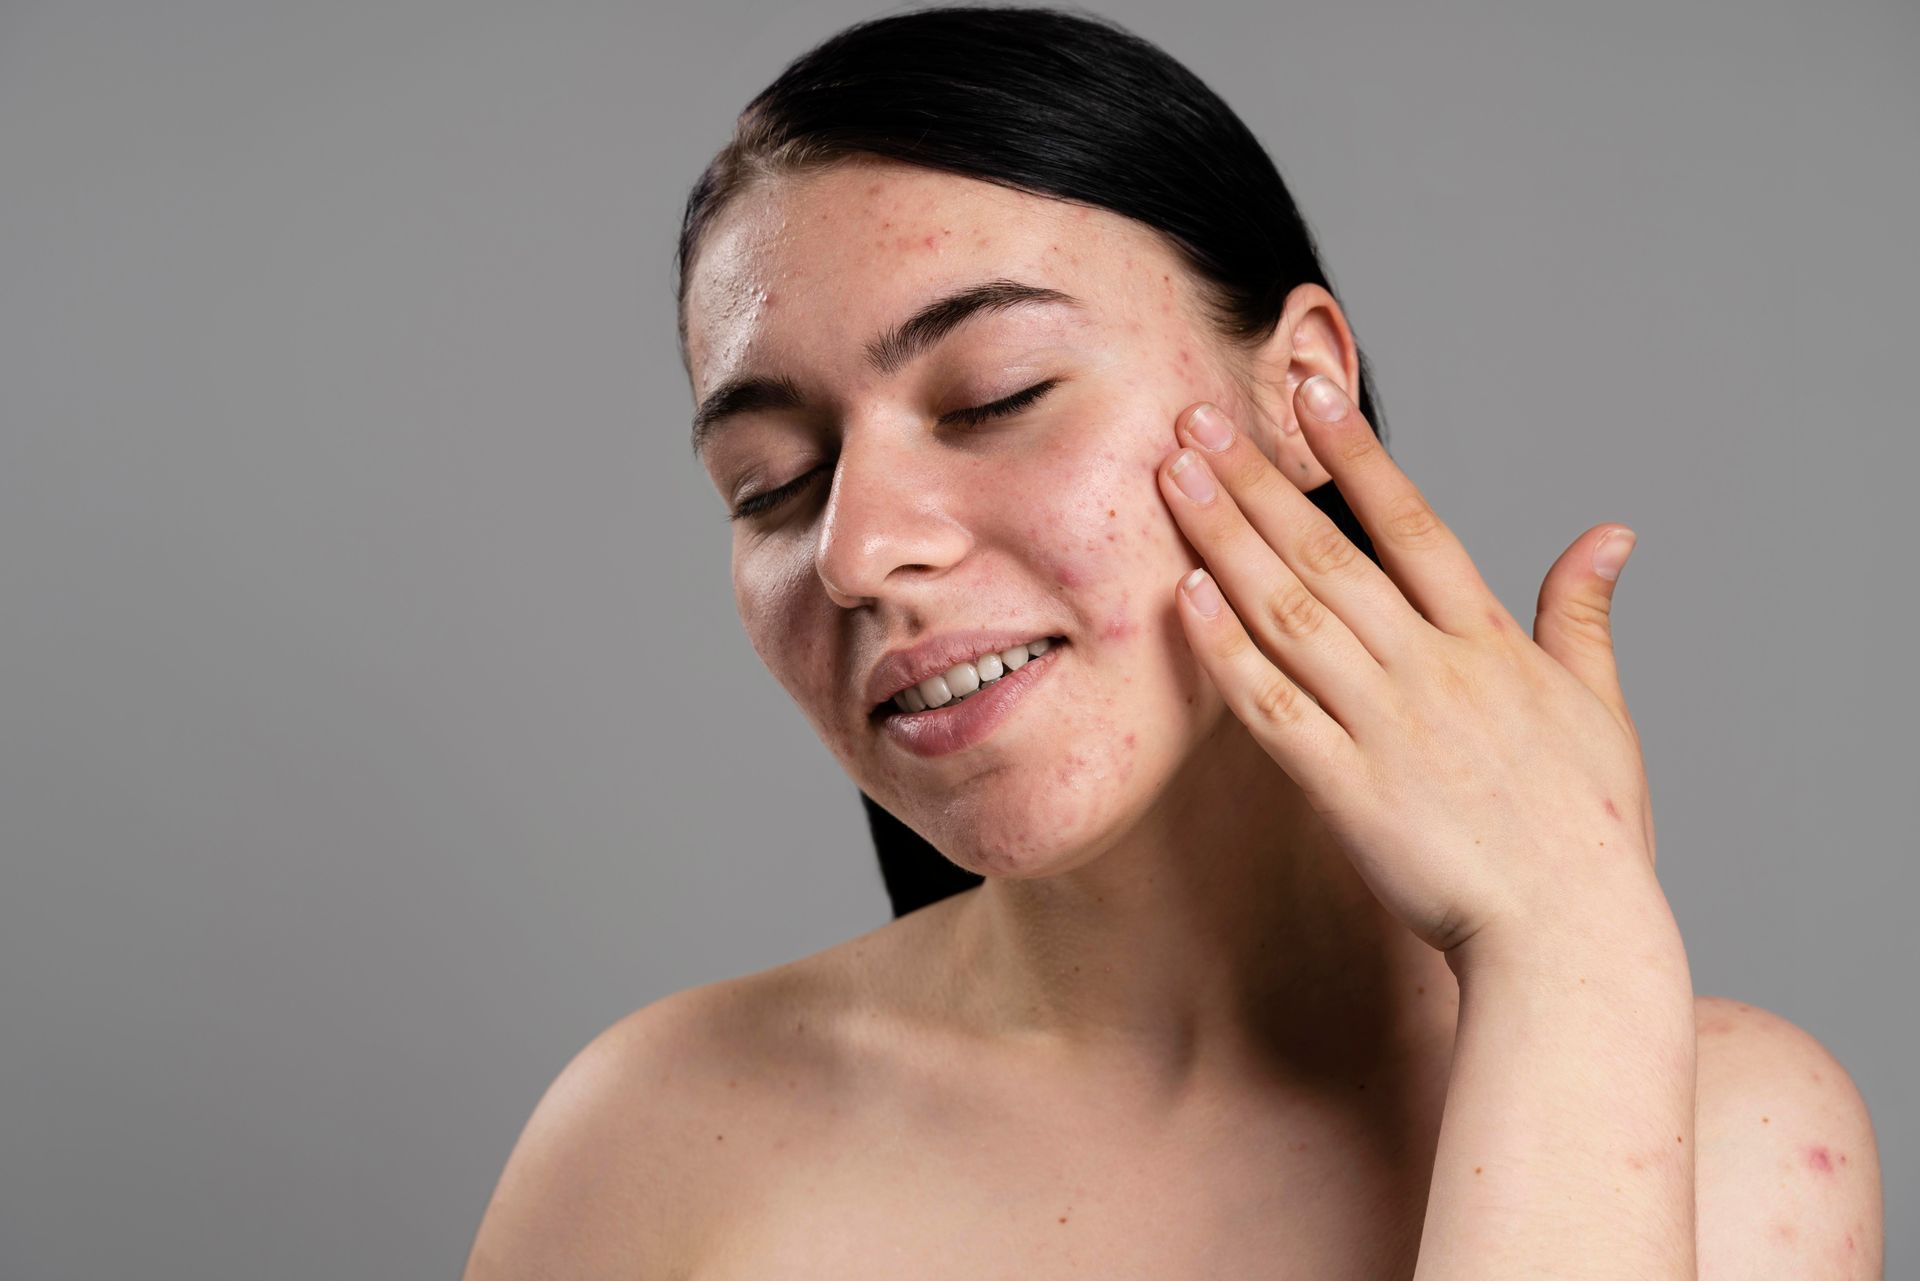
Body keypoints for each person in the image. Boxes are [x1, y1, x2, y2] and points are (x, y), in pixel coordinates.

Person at [463, 8, 1882, 1277]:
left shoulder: (1731, 1133)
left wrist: (1573, 952)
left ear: (1303, 385)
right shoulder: (657, 1136)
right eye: (770, 481)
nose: (855, 548)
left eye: (996, 393)